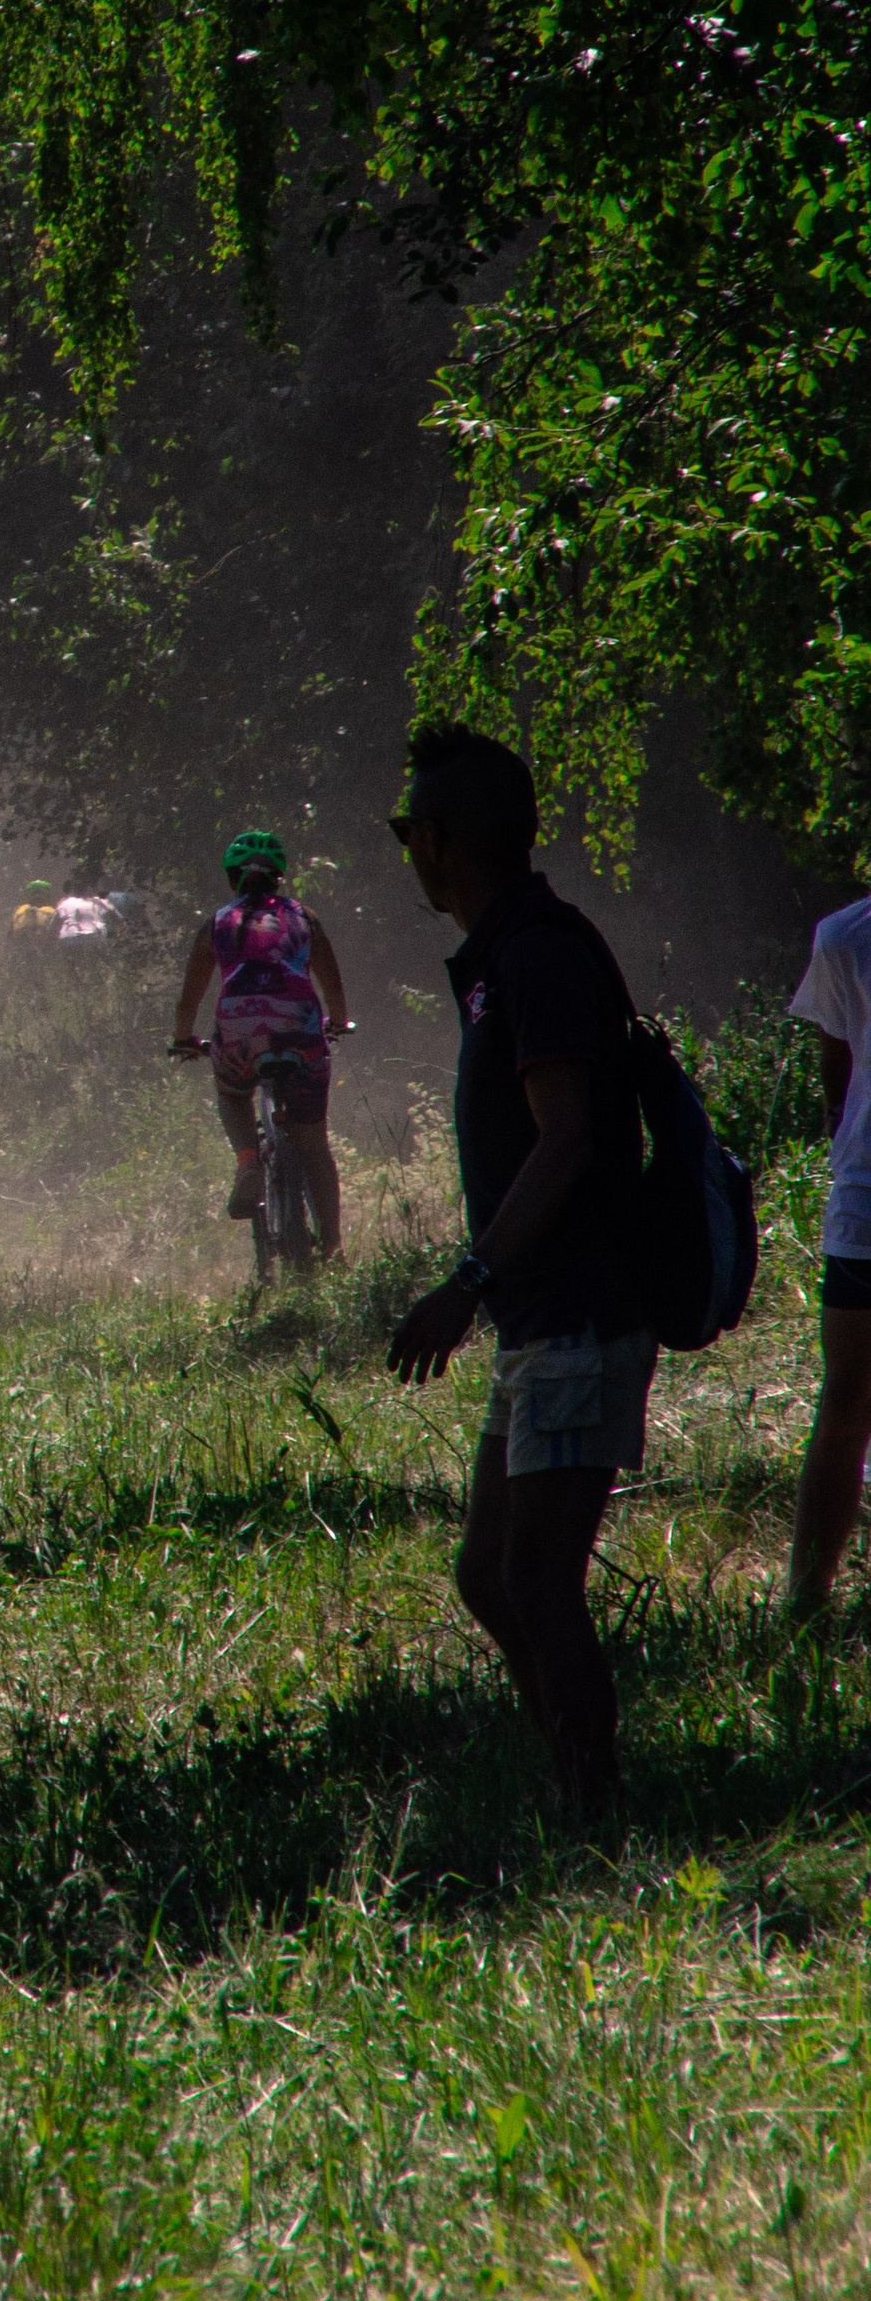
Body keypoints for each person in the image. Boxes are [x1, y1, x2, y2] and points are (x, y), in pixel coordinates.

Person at [383, 722, 654, 1822]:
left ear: (445, 842)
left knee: (537, 1582)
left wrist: (468, 1280)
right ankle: (570, 1785)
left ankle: (596, 1816)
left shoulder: (535, 953)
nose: (406, 851)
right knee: (491, 1576)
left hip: (575, 1313)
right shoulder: (502, 953)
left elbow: (567, 1138)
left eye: (408, 831)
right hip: (539, 1318)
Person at [171, 831, 350, 1253]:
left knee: (233, 1095)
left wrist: (183, 1039)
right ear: (278, 877)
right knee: (313, 1143)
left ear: (234, 877)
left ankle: (249, 1161)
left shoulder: (217, 922)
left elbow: (189, 997)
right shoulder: (304, 916)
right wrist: (338, 1022)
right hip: (300, 1027)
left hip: (239, 1030)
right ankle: (332, 1246)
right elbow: (332, 982)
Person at [785, 884, 871, 1618]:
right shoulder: (845, 935)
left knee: (845, 1399)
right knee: (846, 1396)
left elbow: (834, 1088)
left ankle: (805, 1599)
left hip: (864, 1200)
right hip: (866, 1201)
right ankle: (805, 1596)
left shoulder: (846, 934)